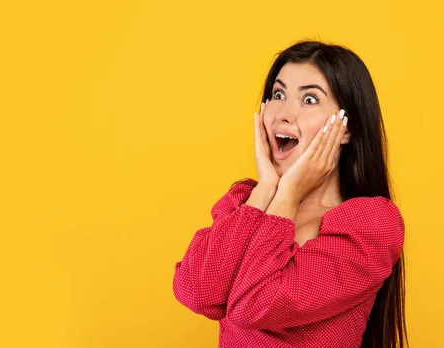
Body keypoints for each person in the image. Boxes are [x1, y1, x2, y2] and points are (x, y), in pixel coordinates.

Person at [172, 40, 408, 348]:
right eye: (278, 94)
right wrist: (267, 189)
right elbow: (197, 292)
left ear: (347, 128)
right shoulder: (244, 202)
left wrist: (288, 194)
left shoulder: (370, 226)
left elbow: (255, 305)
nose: (284, 113)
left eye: (310, 99)